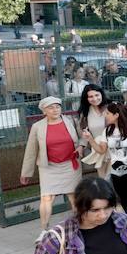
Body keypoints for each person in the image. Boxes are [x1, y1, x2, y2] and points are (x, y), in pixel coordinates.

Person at [20, 96, 83, 230]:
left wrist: (81, 146)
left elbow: (83, 137)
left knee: (74, 197)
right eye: (51, 107)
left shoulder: (71, 120)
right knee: (46, 198)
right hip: (49, 167)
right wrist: (26, 172)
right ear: (44, 111)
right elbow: (31, 150)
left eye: (57, 106)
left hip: (70, 165)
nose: (55, 110)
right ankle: (44, 229)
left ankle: (79, 227)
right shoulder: (37, 127)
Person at [101, 102, 127, 228]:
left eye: (108, 113)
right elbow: (102, 150)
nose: (105, 115)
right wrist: (89, 139)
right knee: (124, 200)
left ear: (116, 115)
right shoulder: (107, 130)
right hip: (115, 172)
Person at [76, 84, 110, 177]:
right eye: (91, 96)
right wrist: (81, 146)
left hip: (113, 147)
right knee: (103, 178)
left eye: (97, 95)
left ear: (101, 94)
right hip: (98, 149)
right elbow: (85, 133)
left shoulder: (111, 108)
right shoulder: (85, 113)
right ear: (86, 98)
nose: (94, 99)